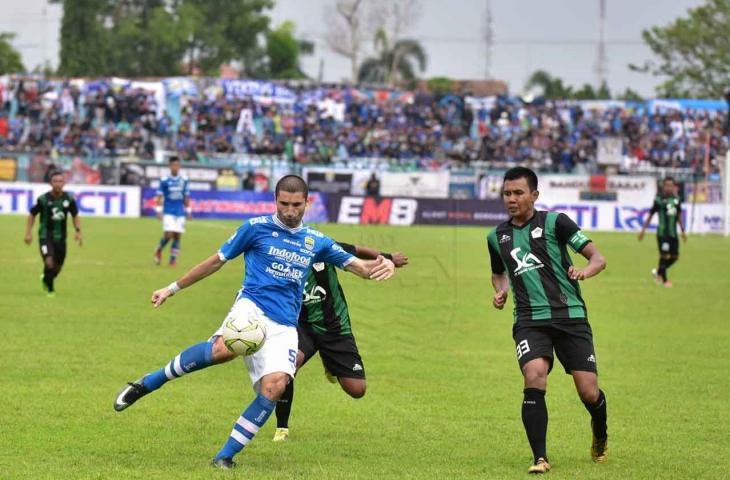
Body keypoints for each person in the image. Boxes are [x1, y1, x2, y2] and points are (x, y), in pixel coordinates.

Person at [114, 175, 396, 469]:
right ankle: (147, 384)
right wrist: (171, 288)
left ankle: (224, 457)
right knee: (223, 350)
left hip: (285, 324)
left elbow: (359, 268)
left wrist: (382, 264)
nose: (289, 211)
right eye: (284, 204)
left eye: (296, 205)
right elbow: (216, 261)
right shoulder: (255, 228)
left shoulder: (316, 241)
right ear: (275, 201)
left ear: (306, 203)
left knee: (276, 387)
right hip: (251, 307)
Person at [486, 167, 608, 474]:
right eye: (506, 193)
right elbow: (499, 273)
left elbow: (598, 258)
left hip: (571, 317)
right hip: (529, 319)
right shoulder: (496, 236)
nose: (511, 199)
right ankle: (540, 457)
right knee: (534, 374)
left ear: (534, 195)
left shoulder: (557, 222)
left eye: (518, 193)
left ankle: (600, 431)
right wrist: (500, 292)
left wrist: (584, 271)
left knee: (589, 392)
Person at [272, 243, 409, 442]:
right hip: (303, 328)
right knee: (287, 368)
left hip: (336, 329)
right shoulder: (281, 259)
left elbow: (355, 249)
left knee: (357, 390)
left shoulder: (321, 246)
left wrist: (386, 256)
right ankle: (282, 428)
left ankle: (330, 364)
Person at [23, 170, 82, 297]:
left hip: (61, 237)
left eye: (60, 181)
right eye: (55, 181)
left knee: (57, 266)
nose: (57, 184)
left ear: (64, 183)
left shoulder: (69, 199)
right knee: (49, 262)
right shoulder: (43, 199)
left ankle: (46, 278)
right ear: (50, 183)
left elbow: (75, 215)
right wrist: (28, 233)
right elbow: (32, 215)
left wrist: (78, 231)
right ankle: (50, 290)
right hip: (45, 236)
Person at [638, 177, 686, 288]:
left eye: (671, 185)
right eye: (667, 185)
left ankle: (658, 272)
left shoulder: (676, 200)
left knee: (675, 257)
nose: (669, 187)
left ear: (674, 187)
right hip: (662, 234)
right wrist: (643, 230)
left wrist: (683, 230)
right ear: (663, 186)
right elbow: (650, 215)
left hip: (673, 234)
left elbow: (678, 216)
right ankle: (665, 281)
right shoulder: (659, 200)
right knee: (664, 256)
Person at [153, 156, 190, 266]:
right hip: (168, 211)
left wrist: (188, 210)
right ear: (170, 166)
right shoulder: (164, 180)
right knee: (168, 235)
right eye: (173, 165)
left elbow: (186, 196)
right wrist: (158, 211)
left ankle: (172, 260)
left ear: (179, 166)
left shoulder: (184, 180)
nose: (175, 167)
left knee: (177, 235)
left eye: (177, 165)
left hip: (180, 211)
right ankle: (159, 249)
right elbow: (159, 196)